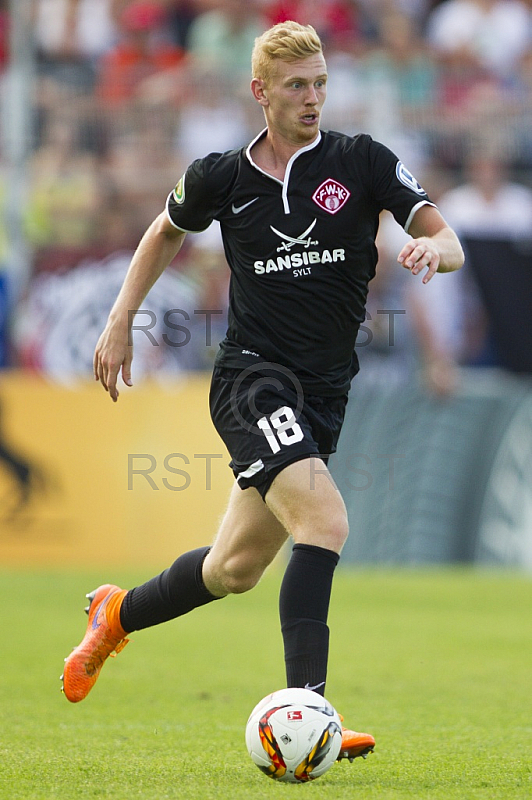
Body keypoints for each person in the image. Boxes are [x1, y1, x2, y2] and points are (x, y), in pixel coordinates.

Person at [61, 21, 464, 764]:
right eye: (296, 86)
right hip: (251, 379)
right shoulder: (222, 175)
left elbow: (449, 237)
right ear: (260, 93)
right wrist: (121, 320)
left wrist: (428, 249)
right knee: (325, 521)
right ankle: (310, 713)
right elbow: (163, 231)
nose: (313, 98)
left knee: (232, 569)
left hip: (322, 395)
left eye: (320, 84)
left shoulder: (362, 162)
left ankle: (115, 616)